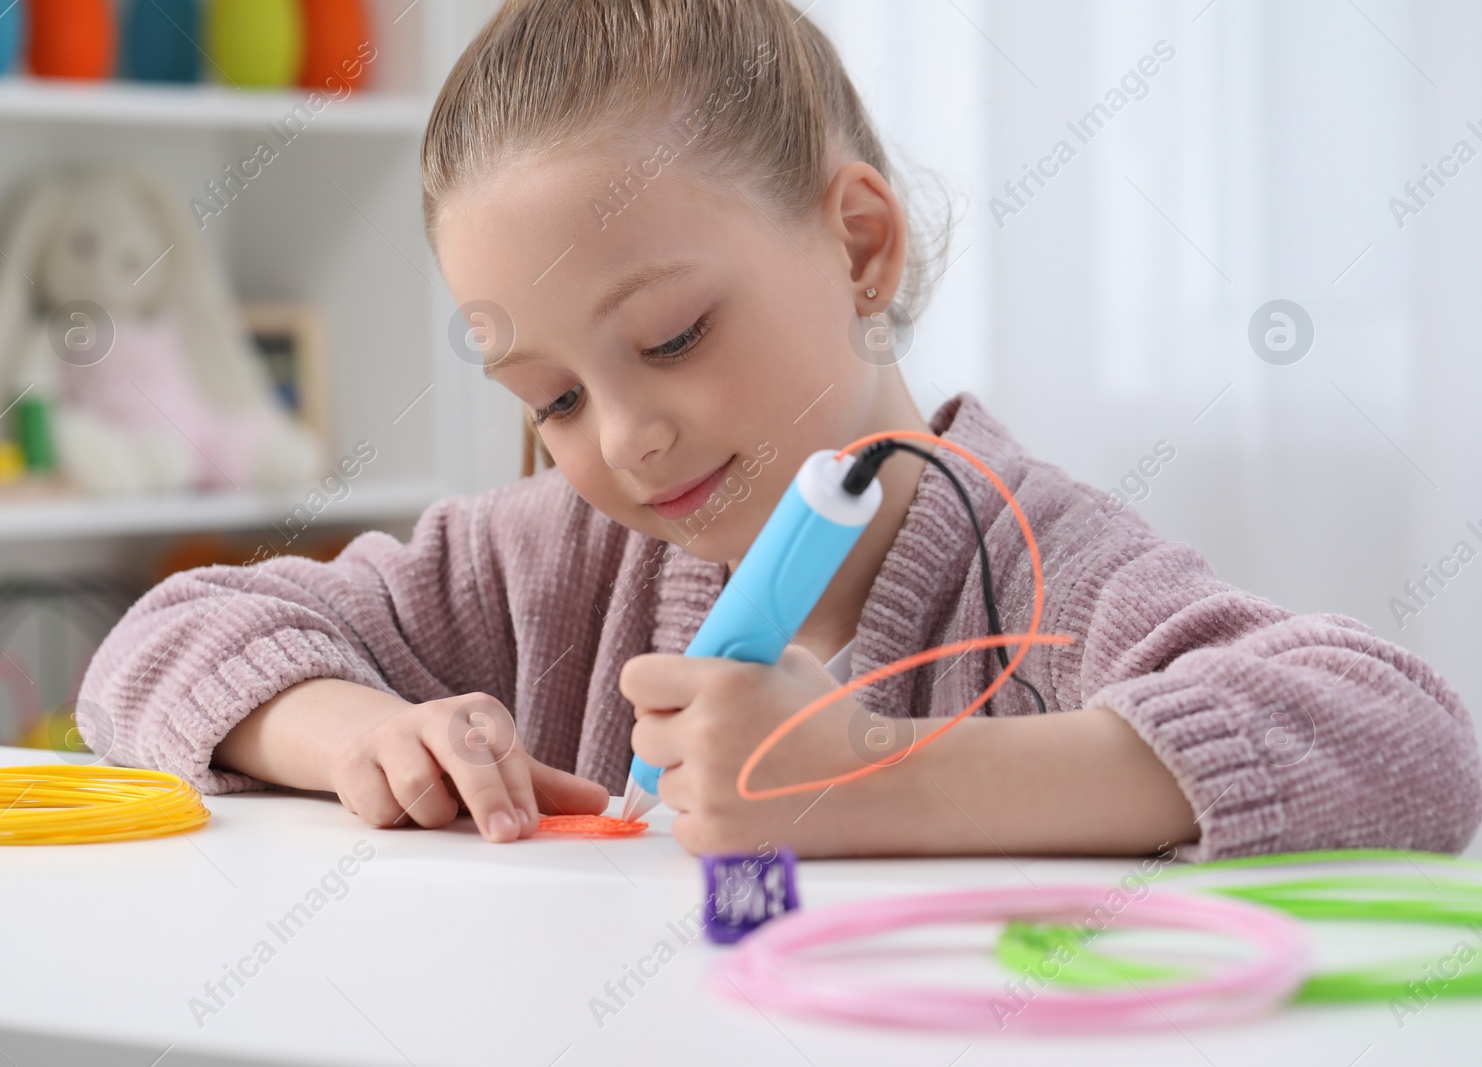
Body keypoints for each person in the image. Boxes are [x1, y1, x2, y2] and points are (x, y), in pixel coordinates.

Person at [76, 0, 1482, 862]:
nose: (623, 440)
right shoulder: (542, 564)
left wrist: (875, 786)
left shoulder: (1040, 564)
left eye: (674, 339)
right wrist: (359, 736)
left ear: (859, 245)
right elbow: (158, 643)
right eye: (552, 399)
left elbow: (1408, 743)